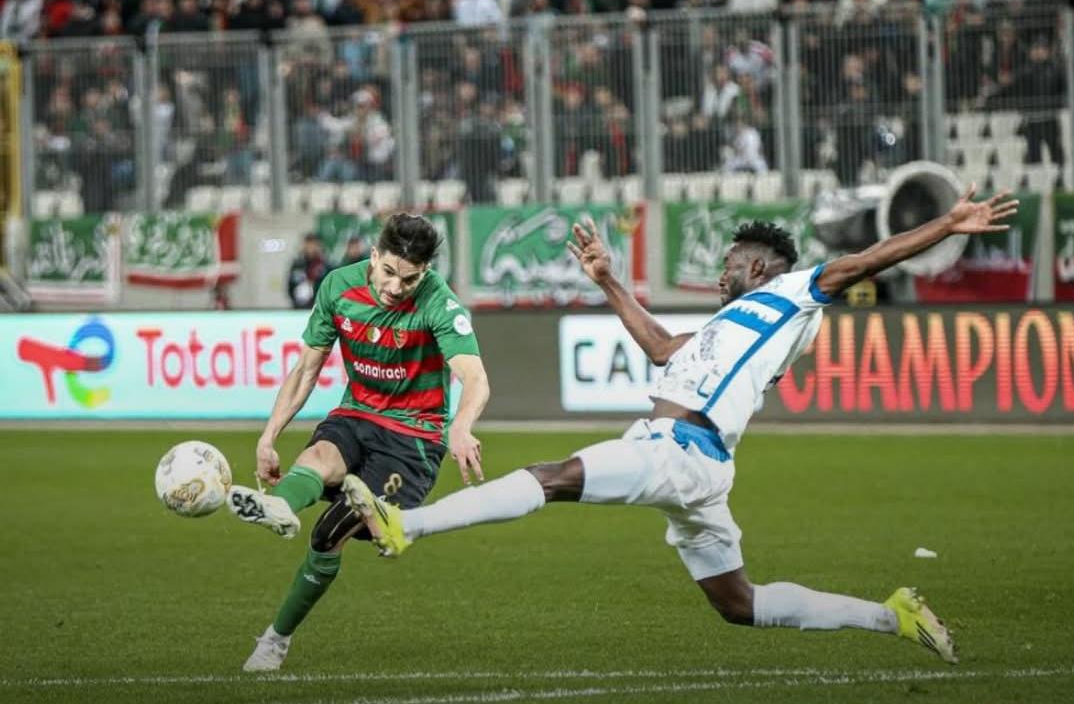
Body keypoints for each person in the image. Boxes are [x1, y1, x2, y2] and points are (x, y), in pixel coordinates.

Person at [345, 186, 1019, 665]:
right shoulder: (730, 322)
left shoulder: (789, 295)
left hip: (678, 450)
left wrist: (947, 225)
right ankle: (891, 615)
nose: (722, 269)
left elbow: (869, 259)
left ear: (758, 267)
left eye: (730, 261)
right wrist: (610, 281)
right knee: (738, 603)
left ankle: (409, 525)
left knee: (553, 478)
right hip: (699, 467)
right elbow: (664, 348)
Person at [227, 213, 489, 671]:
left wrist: (462, 427)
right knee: (320, 456)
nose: (395, 287)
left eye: (409, 279)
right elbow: (306, 369)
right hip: (358, 413)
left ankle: (275, 640)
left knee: (328, 534)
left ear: (424, 272)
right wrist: (269, 437)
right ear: (373, 256)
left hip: (413, 439)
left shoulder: (440, 305)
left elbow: (475, 377)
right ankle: (280, 506)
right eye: (388, 272)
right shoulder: (337, 288)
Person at [287, 232, 330, 309]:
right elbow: (290, 286)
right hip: (299, 307)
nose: (311, 247)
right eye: (308, 244)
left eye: (314, 244)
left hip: (319, 307)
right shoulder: (297, 264)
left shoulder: (325, 265)